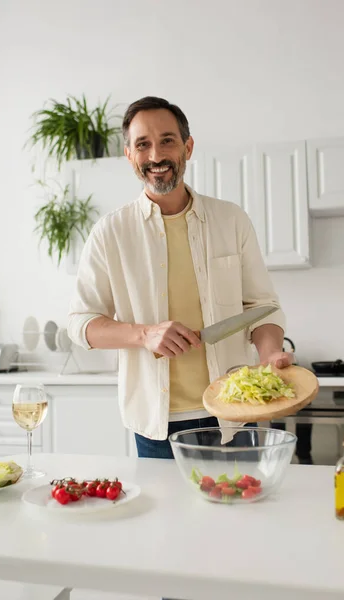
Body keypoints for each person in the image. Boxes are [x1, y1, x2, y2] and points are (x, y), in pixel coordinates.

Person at [67, 96, 293, 459]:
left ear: (187, 146)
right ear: (129, 154)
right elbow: (81, 324)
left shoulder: (231, 220)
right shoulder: (110, 233)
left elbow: (262, 308)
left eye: (167, 140)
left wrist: (269, 353)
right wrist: (145, 334)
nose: (156, 155)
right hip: (158, 426)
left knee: (243, 514)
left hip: (235, 413)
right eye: (143, 144)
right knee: (168, 519)